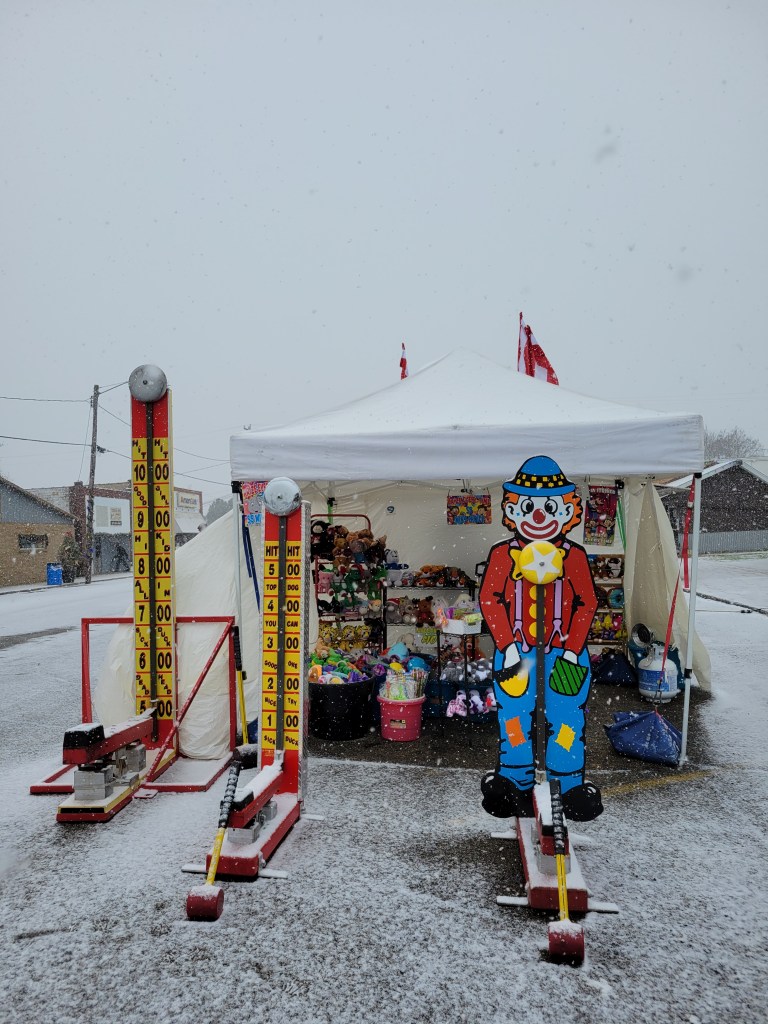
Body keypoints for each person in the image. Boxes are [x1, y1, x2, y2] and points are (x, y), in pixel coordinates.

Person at [478, 456, 603, 821]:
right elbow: (490, 598)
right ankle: (514, 782)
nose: (538, 516)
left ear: (566, 511)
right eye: (527, 507)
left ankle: (568, 784)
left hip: (564, 651)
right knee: (515, 716)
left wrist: (572, 648)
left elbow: (588, 602)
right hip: (516, 651)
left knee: (566, 718)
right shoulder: (504, 554)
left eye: (549, 507)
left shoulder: (574, 556)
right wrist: (507, 645)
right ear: (513, 509)